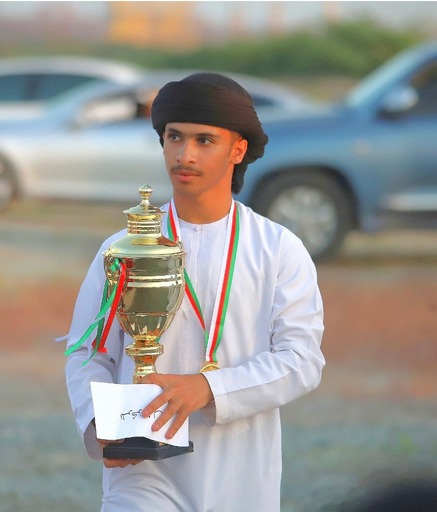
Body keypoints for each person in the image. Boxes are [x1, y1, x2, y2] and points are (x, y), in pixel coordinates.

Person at [64, 72, 325, 512]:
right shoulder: (124, 248)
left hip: (241, 470)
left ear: (237, 150)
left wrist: (208, 388)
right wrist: (98, 422)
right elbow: (87, 350)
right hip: (141, 476)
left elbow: (301, 359)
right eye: (174, 137)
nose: (185, 154)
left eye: (205, 140)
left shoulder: (277, 248)